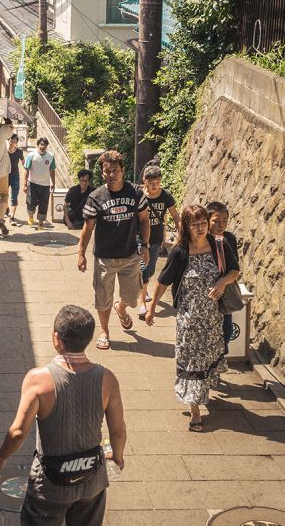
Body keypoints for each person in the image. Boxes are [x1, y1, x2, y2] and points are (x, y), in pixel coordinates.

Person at [0, 304, 126, 526]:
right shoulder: (107, 378)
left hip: (50, 482)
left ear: (56, 339)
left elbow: (19, 431)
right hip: (92, 479)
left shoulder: (39, 380)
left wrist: (0, 460)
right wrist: (118, 455)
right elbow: (118, 430)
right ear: (89, 340)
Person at [144, 204, 239, 430]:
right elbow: (163, 281)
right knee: (191, 359)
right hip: (188, 318)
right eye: (194, 224)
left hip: (213, 317)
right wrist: (151, 308)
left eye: (203, 223)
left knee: (209, 355)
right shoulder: (181, 251)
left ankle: (203, 392)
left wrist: (222, 281)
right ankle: (195, 408)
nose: (200, 228)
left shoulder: (220, 245)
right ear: (186, 226)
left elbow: (235, 270)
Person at [77, 150, 150, 351]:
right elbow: (87, 228)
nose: (111, 174)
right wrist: (81, 253)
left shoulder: (135, 193)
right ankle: (104, 331)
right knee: (103, 297)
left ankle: (121, 308)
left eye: (115, 170)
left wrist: (145, 245)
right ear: (102, 173)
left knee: (132, 297)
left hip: (129, 255)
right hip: (104, 257)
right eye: (107, 171)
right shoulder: (95, 197)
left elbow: (144, 220)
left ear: (123, 170)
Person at [137, 164, 181, 318]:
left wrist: (180, 232)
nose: (154, 186)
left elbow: (175, 215)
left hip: (155, 238)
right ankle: (142, 302)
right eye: (151, 183)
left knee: (150, 270)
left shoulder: (166, 196)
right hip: (139, 237)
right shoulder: (139, 195)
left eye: (157, 183)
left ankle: (143, 289)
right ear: (145, 181)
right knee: (143, 268)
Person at [207, 201, 240, 361]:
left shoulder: (229, 238)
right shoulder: (201, 239)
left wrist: (224, 281)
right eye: (216, 221)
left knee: (225, 330)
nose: (221, 225)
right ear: (207, 221)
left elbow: (235, 268)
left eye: (225, 220)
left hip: (223, 291)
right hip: (204, 292)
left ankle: (218, 359)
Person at [23, 137, 56, 229]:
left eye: (45, 145)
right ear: (38, 145)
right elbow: (26, 170)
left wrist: (53, 182)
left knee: (44, 205)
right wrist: (25, 184)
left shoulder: (50, 156)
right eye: (41, 144)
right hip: (33, 184)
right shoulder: (31, 155)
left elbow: (52, 170)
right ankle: (30, 216)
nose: (43, 146)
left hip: (45, 185)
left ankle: (40, 223)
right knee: (31, 203)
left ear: (47, 146)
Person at [6, 133, 24, 222]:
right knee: (3, 195)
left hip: (15, 176)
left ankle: (12, 216)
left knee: (14, 196)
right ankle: (6, 208)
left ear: (16, 143)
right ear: (8, 140)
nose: (12, 143)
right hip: (5, 175)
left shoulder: (19, 151)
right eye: (11, 141)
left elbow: (24, 163)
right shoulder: (4, 151)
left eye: (14, 142)